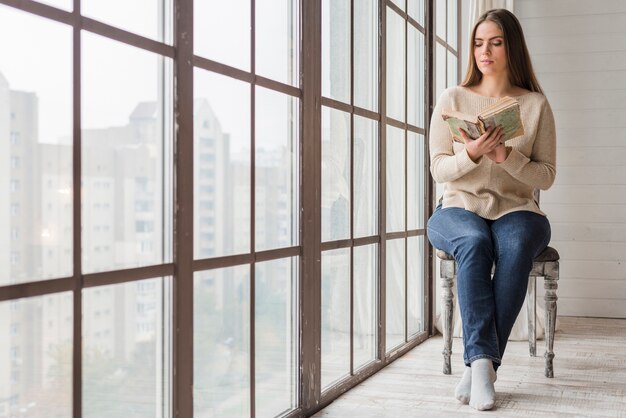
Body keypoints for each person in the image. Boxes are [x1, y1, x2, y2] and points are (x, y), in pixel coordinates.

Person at [426, 9, 556, 411]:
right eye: (479, 42)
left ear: (511, 47)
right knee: (474, 240)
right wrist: (471, 153)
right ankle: (483, 364)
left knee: (516, 247)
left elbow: (546, 175)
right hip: (458, 206)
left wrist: (505, 156)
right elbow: (439, 169)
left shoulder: (535, 105)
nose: (485, 51)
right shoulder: (452, 99)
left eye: (495, 42)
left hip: (518, 208)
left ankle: (480, 366)